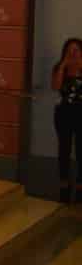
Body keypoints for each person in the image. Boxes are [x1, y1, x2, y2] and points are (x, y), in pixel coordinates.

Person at [52, 37, 82, 204]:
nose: (73, 53)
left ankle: (80, 183)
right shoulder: (59, 67)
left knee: (81, 150)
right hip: (64, 113)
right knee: (64, 149)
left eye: (76, 50)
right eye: (69, 50)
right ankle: (64, 182)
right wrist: (63, 66)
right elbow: (55, 87)